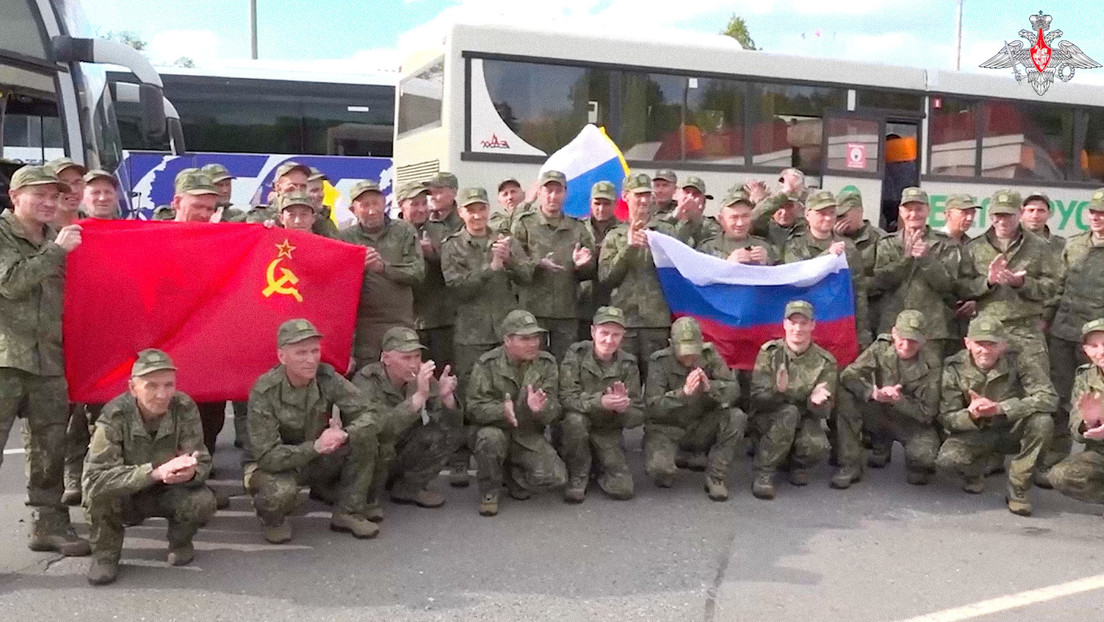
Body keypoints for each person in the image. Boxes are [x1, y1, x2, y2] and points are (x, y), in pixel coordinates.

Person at [0, 165, 90, 556]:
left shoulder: (59, 238)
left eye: (54, 196)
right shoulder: (6, 234)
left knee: (49, 451)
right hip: (5, 359)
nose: (49, 202)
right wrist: (56, 251)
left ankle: (49, 526)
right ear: (15, 197)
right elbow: (11, 283)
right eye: (39, 195)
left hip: (49, 362)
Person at [82, 349, 217, 585]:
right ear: (133, 388)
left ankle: (180, 541)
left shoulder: (183, 408)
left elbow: (202, 459)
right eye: (151, 386)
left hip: (167, 491)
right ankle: (105, 555)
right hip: (126, 494)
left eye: (168, 385)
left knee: (202, 500)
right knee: (99, 497)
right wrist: (154, 473)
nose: (162, 394)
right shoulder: (115, 415)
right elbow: (95, 479)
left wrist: (192, 472)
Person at [244, 319, 381, 543]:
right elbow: (267, 456)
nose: (311, 359)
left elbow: (371, 412)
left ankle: (348, 512)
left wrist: (345, 433)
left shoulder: (326, 378)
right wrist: (316, 447)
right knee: (279, 493)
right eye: (300, 353)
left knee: (364, 439)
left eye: (315, 351)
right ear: (282, 357)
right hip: (275, 466)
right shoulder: (264, 391)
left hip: (316, 455)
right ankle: (272, 519)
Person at [935, 316, 1056, 516]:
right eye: (979, 344)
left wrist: (1001, 408)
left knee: (1043, 422)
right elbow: (946, 416)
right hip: (977, 431)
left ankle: (1018, 485)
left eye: (992, 344)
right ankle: (976, 470)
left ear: (1003, 345)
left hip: (1011, 427)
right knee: (948, 461)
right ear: (967, 343)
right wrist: (972, 415)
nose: (985, 350)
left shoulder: (1020, 359)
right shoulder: (954, 367)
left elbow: (1048, 397)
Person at [352, 327, 463, 518]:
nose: (413, 364)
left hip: (404, 448)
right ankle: (366, 497)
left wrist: (447, 399)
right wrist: (419, 398)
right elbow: (380, 428)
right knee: (378, 445)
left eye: (417, 356)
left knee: (446, 434)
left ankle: (408, 488)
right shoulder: (366, 381)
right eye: (406, 357)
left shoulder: (420, 376)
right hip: (372, 453)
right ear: (386, 358)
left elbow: (451, 424)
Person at [465, 310, 566, 516]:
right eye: (525, 338)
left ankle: (511, 475)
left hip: (527, 434)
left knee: (556, 477)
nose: (533, 343)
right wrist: (501, 411)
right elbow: (473, 408)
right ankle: (489, 491)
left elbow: (555, 408)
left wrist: (540, 409)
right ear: (507, 340)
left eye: (535, 337)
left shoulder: (546, 363)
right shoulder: (487, 364)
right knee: (489, 438)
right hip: (496, 429)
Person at [959, 190, 1061, 376]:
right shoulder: (974, 247)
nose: (1003, 221)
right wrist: (987, 282)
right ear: (990, 215)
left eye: (1009, 215)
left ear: (1020, 214)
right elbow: (961, 287)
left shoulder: (1039, 246)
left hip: (1026, 329)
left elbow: (1051, 287)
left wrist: (1023, 283)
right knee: (990, 388)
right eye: (998, 216)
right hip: (987, 331)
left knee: (1036, 386)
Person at [836, 311, 941, 488]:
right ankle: (851, 464)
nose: (906, 345)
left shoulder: (931, 365)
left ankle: (910, 461)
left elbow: (928, 414)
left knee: (924, 457)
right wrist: (871, 393)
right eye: (902, 337)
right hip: (878, 410)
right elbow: (849, 375)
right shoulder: (881, 348)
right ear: (894, 333)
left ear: (925, 339)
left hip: (909, 420)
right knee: (845, 395)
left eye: (913, 340)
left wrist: (898, 400)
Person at [644, 317, 745, 501]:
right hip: (668, 429)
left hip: (701, 425)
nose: (690, 358)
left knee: (735, 417)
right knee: (661, 473)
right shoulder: (659, 361)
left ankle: (716, 476)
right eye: (684, 353)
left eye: (693, 351)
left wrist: (710, 388)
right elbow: (652, 407)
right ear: (671, 344)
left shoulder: (709, 355)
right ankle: (682, 455)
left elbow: (734, 391)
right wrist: (682, 394)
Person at [440, 187, 531, 390]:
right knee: (470, 388)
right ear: (461, 212)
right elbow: (457, 288)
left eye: (482, 209)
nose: (477, 215)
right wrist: (490, 269)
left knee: (507, 388)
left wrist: (510, 260)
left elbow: (526, 277)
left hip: (505, 331)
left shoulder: (505, 240)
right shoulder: (452, 246)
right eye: (471, 210)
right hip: (471, 335)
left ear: (489, 209)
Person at [750, 301, 838, 500]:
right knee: (789, 413)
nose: (797, 328)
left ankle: (796, 464)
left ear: (812, 325)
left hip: (804, 419)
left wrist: (816, 403)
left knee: (817, 445)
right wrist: (778, 392)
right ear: (784, 324)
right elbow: (756, 398)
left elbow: (825, 411)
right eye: (793, 322)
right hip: (770, 418)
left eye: (803, 323)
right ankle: (763, 473)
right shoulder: (770, 354)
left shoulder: (825, 362)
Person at [599, 173, 683, 378]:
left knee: (657, 379)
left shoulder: (666, 232)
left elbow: (680, 271)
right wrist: (628, 248)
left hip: (656, 321)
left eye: (648, 195)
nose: (644, 200)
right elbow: (606, 278)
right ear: (626, 197)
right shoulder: (614, 235)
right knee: (624, 379)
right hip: (624, 321)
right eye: (638, 195)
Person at [1046, 190, 1104, 483]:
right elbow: (1058, 285)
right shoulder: (1074, 244)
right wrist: (1047, 319)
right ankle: (1056, 453)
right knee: (1058, 395)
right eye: (1093, 212)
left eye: (1102, 213)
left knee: (1097, 396)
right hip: (1065, 332)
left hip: (1099, 342)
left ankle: (1095, 457)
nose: (1096, 217)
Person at [559, 306, 644, 502]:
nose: (608, 340)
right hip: (581, 425)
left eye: (615, 335)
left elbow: (638, 414)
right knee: (574, 420)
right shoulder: (577, 355)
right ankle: (578, 474)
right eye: (604, 333)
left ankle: (597, 467)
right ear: (592, 332)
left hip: (607, 430)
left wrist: (624, 409)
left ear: (623, 336)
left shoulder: (628, 364)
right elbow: (566, 398)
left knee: (623, 489)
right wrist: (600, 402)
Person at [338, 179, 425, 370]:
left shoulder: (403, 231)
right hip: (364, 328)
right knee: (367, 380)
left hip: (400, 322)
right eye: (365, 205)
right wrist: (359, 267)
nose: (372, 210)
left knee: (404, 374)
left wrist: (382, 268)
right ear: (353, 210)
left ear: (384, 203)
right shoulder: (345, 238)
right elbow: (338, 284)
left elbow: (417, 273)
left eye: (376, 203)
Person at [512, 170, 596, 360]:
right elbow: (513, 267)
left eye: (558, 191)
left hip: (566, 310)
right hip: (532, 312)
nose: (553, 196)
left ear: (565, 193)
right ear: (539, 192)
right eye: (548, 191)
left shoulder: (578, 228)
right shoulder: (524, 225)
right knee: (532, 363)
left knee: (566, 364)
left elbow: (591, 271)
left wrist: (581, 265)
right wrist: (537, 264)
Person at [871, 187, 962, 359]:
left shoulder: (944, 244)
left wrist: (926, 260)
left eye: (919, 209)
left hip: (932, 330)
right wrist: (907, 257)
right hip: (894, 327)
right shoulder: (888, 243)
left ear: (928, 210)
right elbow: (882, 281)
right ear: (900, 211)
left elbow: (948, 285)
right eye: (908, 209)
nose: (913, 214)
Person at [784, 190, 872, 349]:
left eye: (832, 213)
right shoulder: (795, 245)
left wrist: (862, 333)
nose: (828, 218)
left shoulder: (849, 247)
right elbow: (797, 280)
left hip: (837, 326)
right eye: (821, 213)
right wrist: (827, 256)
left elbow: (858, 291)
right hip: (803, 327)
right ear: (807, 214)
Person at [397, 181, 456, 376]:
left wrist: (432, 254)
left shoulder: (440, 230)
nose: (421, 209)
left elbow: (454, 271)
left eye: (424, 203)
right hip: (404, 319)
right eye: (414, 204)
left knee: (440, 376)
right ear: (401, 205)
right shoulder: (392, 232)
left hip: (439, 319)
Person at [1048, 318, 1104, 510]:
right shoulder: (1085, 376)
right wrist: (1088, 425)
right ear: (1086, 351)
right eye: (1094, 346)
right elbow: (1075, 425)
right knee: (1061, 475)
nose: (1101, 352)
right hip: (1100, 451)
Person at [577, 181, 622, 340]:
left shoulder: (623, 231)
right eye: (597, 203)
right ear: (590, 203)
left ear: (615, 203)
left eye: (606, 203)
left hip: (613, 304)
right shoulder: (577, 228)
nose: (601, 208)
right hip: (582, 304)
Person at [698, 186, 778, 264]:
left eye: (745, 216)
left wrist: (767, 262)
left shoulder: (764, 247)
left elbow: (780, 274)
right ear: (721, 219)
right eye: (734, 217)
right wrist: (727, 263)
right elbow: (699, 274)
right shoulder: (707, 249)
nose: (740, 223)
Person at [661, 176, 720, 248]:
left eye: (695, 194)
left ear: (703, 200)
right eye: (687, 192)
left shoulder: (710, 227)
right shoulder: (662, 218)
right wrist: (675, 216)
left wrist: (694, 217)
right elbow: (659, 236)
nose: (690, 197)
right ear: (677, 195)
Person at [244, 161, 310, 224]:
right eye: (292, 186)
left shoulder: (312, 215)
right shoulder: (261, 216)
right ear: (277, 187)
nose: (298, 190)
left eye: (303, 186)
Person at [46, 157, 88, 224]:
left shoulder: (95, 226)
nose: (73, 190)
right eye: (64, 184)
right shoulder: (38, 230)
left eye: (77, 182)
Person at [307, 167, 339, 238]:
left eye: (322, 189)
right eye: (314, 191)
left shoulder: (326, 221)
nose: (321, 195)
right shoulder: (292, 221)